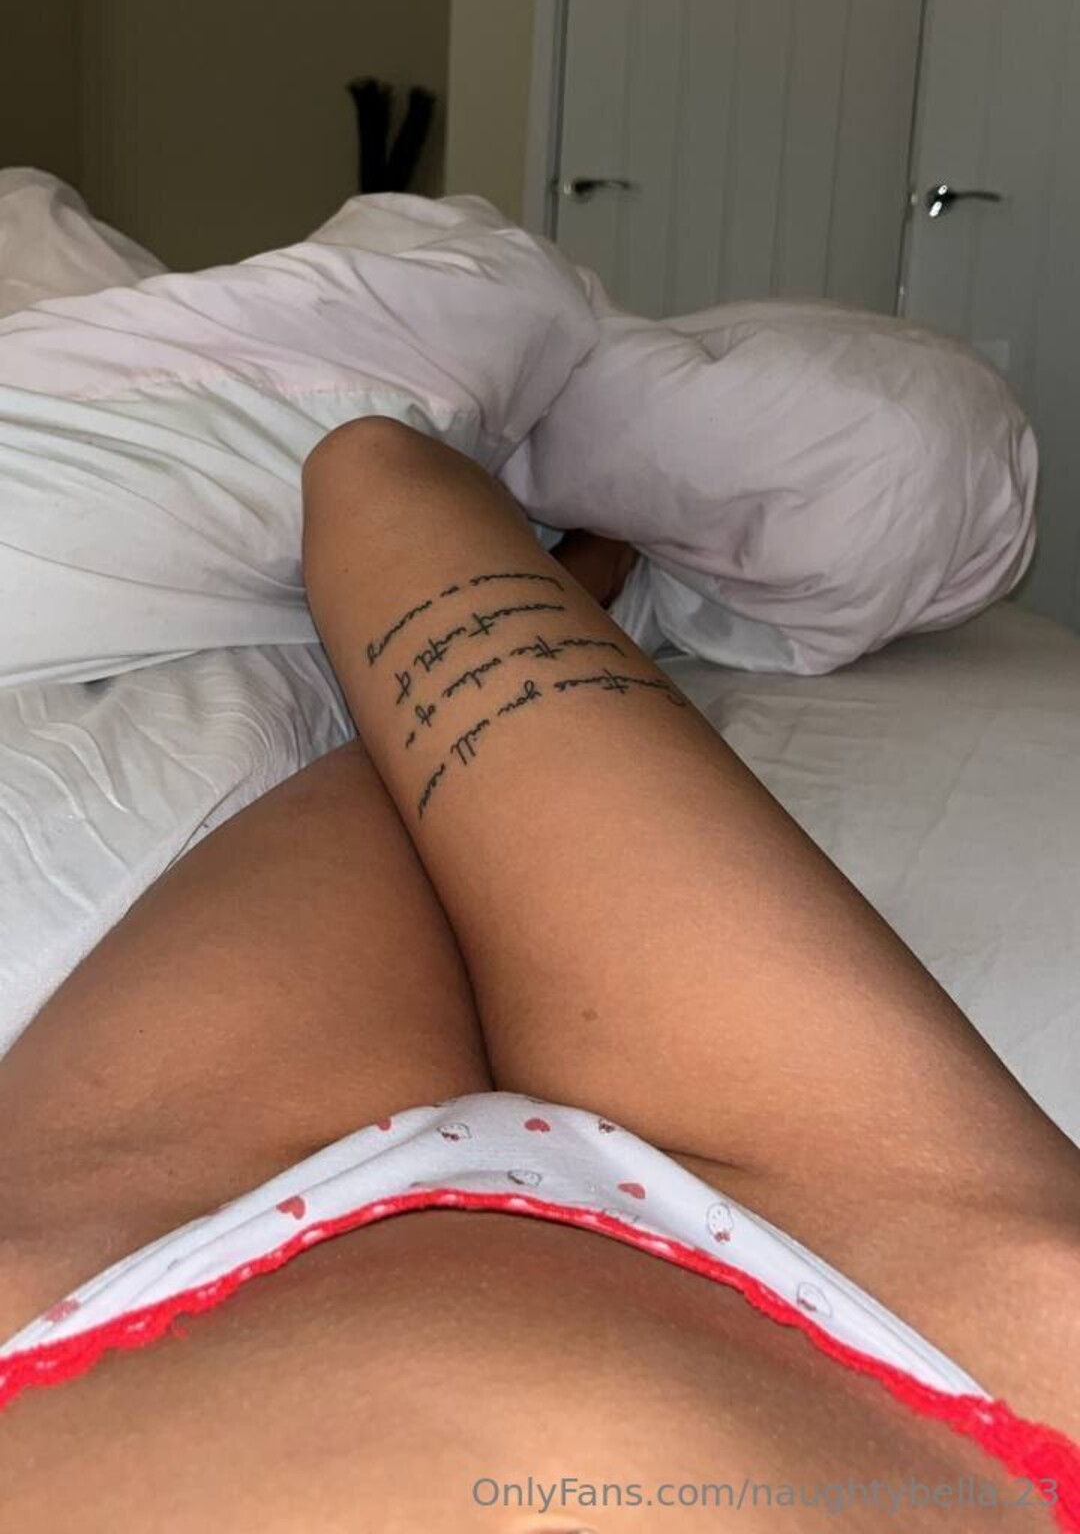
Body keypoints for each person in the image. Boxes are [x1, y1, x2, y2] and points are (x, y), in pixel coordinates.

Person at [0, 416, 1077, 1533]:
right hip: (951, 1330)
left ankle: (585, 587)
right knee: (374, 480)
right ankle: (585, 588)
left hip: (105, 1296)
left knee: (374, 519)